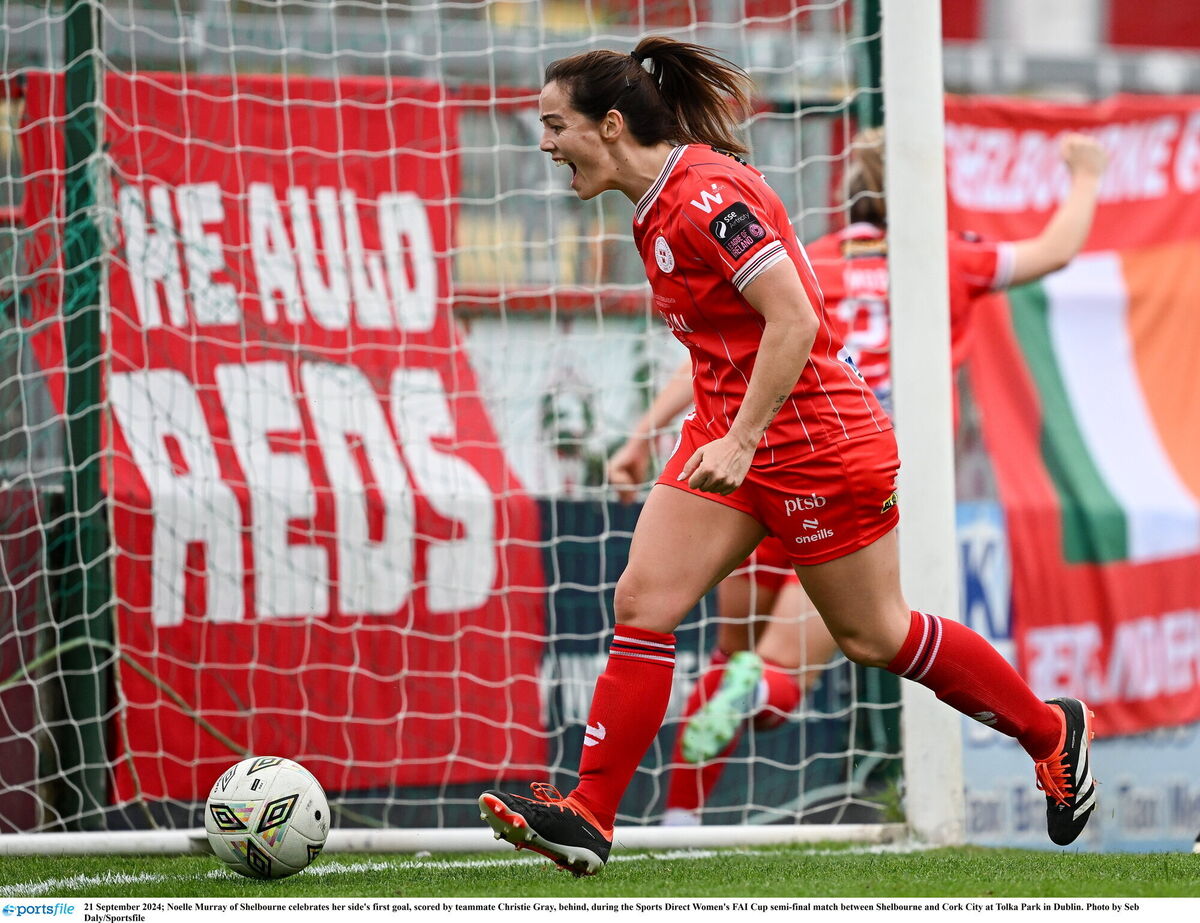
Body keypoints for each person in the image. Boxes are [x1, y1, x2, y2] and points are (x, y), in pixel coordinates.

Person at [477, 36, 1097, 876]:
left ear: (611, 123)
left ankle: (1051, 730)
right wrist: (691, 434)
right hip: (732, 440)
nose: (544, 144)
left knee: (875, 634)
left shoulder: (705, 195)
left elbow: (796, 319)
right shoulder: (654, 203)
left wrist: (739, 438)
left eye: (555, 125)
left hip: (816, 446)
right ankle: (590, 812)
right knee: (643, 599)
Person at [609, 125, 1110, 824]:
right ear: (922, 194)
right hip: (839, 469)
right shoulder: (948, 260)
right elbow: (1056, 250)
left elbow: (714, 348)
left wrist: (642, 433)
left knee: (735, 655)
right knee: (799, 661)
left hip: (751, 460)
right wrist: (1085, 174)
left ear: (847, 195)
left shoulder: (804, 258)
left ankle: (680, 817)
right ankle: (705, 763)